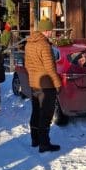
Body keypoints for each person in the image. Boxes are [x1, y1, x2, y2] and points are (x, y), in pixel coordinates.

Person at [25, 18, 61, 153]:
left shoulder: (29, 43)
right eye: (51, 30)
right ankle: (44, 144)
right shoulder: (44, 45)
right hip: (46, 85)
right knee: (46, 115)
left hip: (34, 84)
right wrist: (57, 84)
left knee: (36, 112)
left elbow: (27, 65)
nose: (52, 33)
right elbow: (50, 68)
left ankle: (35, 140)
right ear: (46, 30)